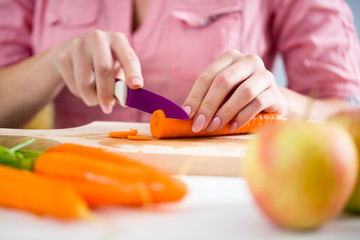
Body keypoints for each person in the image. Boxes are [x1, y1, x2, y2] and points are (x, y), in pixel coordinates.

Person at [0, 0, 359, 132]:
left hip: (228, 202)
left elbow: (346, 116)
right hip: (75, 191)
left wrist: (279, 101)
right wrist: (53, 63)